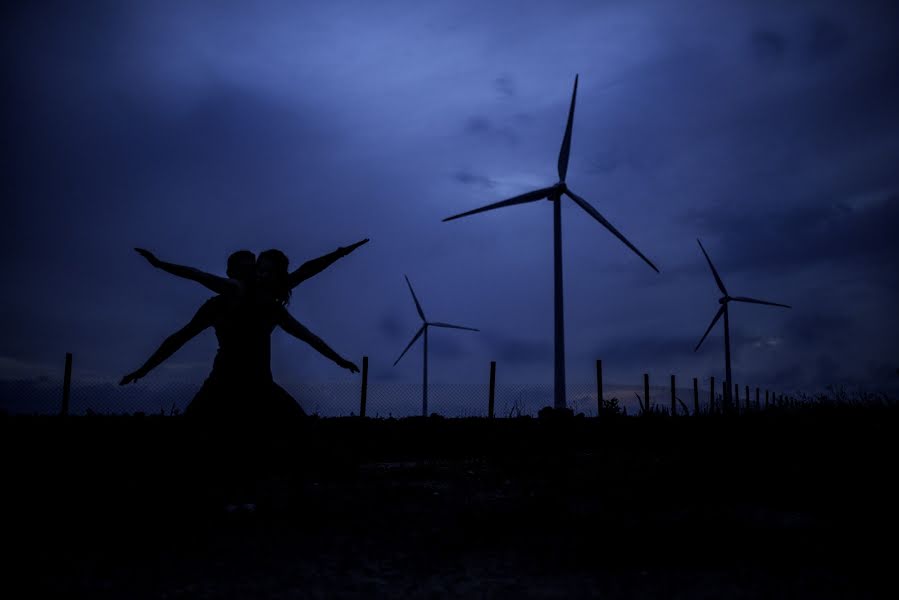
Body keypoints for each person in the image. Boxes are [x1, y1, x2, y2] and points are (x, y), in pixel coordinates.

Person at [120, 249, 359, 419]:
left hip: (259, 387)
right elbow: (179, 337)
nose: (253, 275)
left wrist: (338, 359)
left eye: (253, 269)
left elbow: (307, 330)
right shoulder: (217, 306)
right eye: (247, 271)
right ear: (231, 273)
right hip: (222, 385)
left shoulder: (269, 306)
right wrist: (144, 369)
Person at [133, 238, 369, 297]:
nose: (262, 274)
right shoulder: (239, 289)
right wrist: (160, 264)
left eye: (268, 271)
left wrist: (340, 253)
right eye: (259, 270)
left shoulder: (279, 286)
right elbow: (198, 275)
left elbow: (311, 268)